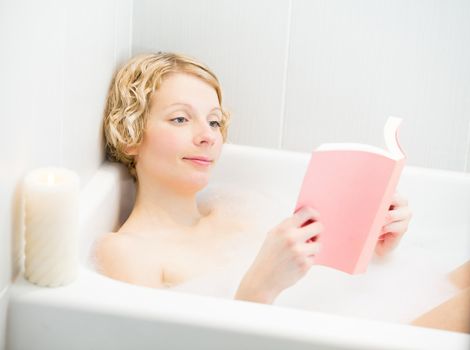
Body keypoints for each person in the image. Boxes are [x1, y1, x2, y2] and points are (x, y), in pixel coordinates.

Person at [96, 52, 469, 333]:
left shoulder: (240, 208)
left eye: (213, 121)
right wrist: (258, 289)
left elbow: (337, 290)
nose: (208, 135)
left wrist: (376, 248)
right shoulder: (127, 251)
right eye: (180, 118)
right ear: (129, 136)